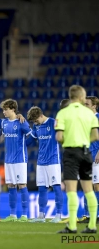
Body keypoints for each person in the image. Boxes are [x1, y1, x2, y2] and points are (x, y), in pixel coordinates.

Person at [55, 85, 98, 234]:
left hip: (71, 153)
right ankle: (92, 225)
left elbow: (59, 137)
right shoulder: (89, 114)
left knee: (71, 190)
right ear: (81, 97)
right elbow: (96, 136)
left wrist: (69, 141)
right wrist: (84, 141)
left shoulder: (63, 113)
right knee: (89, 190)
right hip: (86, 152)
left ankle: (72, 226)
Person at [26, 106, 63, 223]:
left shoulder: (53, 123)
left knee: (56, 187)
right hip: (41, 162)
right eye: (33, 122)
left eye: (36, 120)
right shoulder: (36, 126)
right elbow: (29, 141)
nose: (35, 123)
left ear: (41, 115)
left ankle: (58, 215)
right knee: (42, 189)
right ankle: (41, 216)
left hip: (53, 161)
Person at [0, 99, 31, 222]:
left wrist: (22, 146)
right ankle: (12, 215)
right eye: (3, 110)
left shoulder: (21, 122)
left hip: (20, 159)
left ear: (13, 109)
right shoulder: (4, 123)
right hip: (8, 160)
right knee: (11, 185)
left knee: (22, 185)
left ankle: (24, 215)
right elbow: (1, 137)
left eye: (6, 109)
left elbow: (31, 136)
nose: (4, 112)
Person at [78, 96, 99, 224]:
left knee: (97, 186)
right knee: (86, 186)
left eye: (87, 104)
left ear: (94, 106)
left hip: (96, 157)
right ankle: (87, 215)